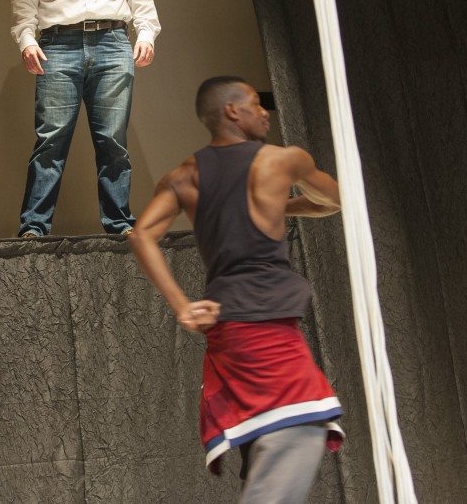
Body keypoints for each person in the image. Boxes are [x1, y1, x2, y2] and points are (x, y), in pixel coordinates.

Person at [129, 76, 344, 503]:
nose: (265, 111)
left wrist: (182, 307)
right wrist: (284, 203)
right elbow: (337, 200)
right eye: (254, 103)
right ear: (231, 111)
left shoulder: (183, 176)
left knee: (266, 444)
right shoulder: (284, 161)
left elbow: (141, 235)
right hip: (264, 330)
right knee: (296, 431)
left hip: (230, 332)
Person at [11, 0, 160, 238]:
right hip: (57, 46)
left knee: (113, 141)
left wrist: (146, 34)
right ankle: (34, 227)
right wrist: (27, 41)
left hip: (112, 44)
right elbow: (23, 2)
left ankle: (120, 224)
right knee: (50, 141)